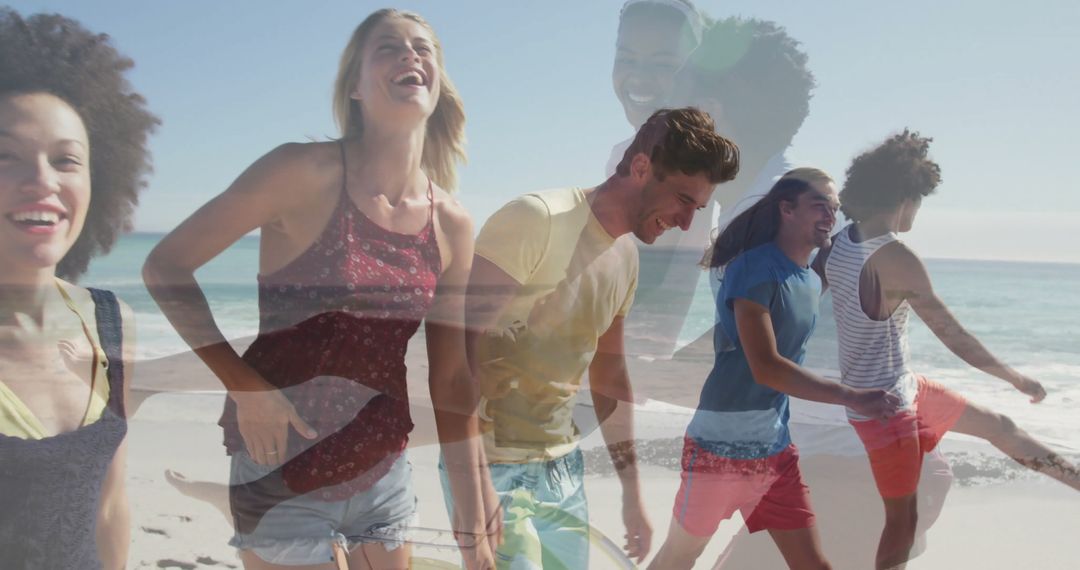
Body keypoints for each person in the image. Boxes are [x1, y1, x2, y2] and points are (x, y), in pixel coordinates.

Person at [143, 9, 497, 569]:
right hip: (280, 466)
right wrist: (244, 386)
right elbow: (165, 267)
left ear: (437, 81)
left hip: (382, 470)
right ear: (354, 87)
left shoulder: (451, 221)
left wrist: (474, 509)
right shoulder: (301, 172)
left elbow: (452, 376)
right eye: (388, 47)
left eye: (423, 48)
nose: (411, 56)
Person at [457, 107, 739, 568]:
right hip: (493, 465)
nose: (687, 222)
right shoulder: (535, 219)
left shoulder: (626, 257)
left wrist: (631, 493)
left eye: (698, 209)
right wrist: (473, 486)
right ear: (641, 167)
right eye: (683, 200)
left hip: (563, 469)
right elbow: (458, 351)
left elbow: (609, 375)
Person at [817, 130, 1080, 569]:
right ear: (905, 196)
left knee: (1000, 425)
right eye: (919, 199)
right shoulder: (896, 257)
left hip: (905, 388)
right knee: (901, 520)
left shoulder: (841, 243)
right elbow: (951, 335)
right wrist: (1014, 377)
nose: (918, 211)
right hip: (885, 410)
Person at [647, 168, 899, 570]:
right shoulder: (754, 269)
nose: (830, 216)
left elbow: (820, 271)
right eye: (820, 206)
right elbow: (766, 368)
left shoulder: (809, 279)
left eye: (834, 209)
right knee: (680, 558)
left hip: (774, 451)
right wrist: (851, 397)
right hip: (718, 450)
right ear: (786, 209)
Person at [0, 8, 157, 568]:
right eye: (6, 156)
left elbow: (110, 506)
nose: (42, 180)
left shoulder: (112, 321)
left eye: (66, 159)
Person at [607, 0, 706, 175]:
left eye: (662, 64)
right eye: (627, 59)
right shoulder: (620, 160)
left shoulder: (709, 162)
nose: (639, 78)